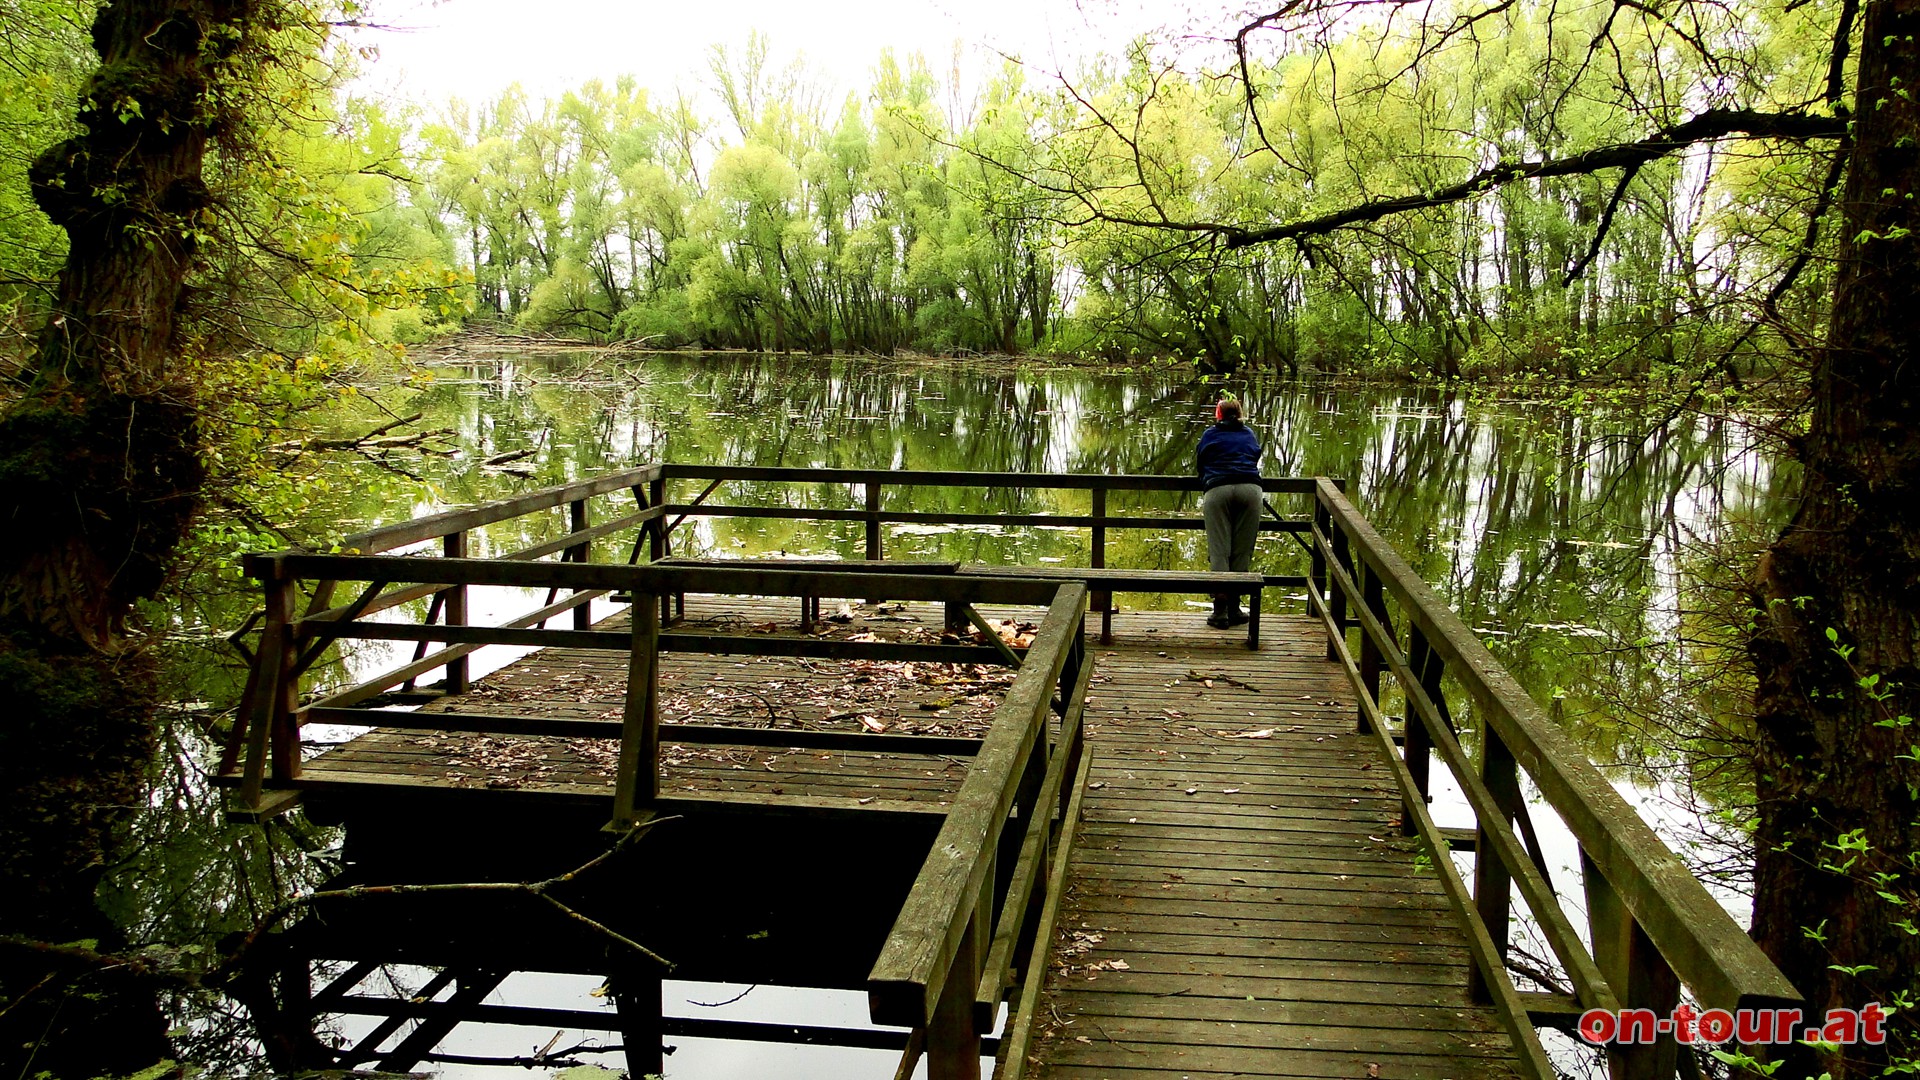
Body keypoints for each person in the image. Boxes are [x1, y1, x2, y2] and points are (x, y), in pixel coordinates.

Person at [1196, 397, 1262, 629]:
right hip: (1250, 490)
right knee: (1242, 550)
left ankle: (1220, 611)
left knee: (1219, 550)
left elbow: (1201, 462)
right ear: (1240, 414)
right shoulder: (1249, 434)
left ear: (1219, 415)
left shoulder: (1210, 435)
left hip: (1218, 490)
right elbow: (1254, 456)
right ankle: (1235, 607)